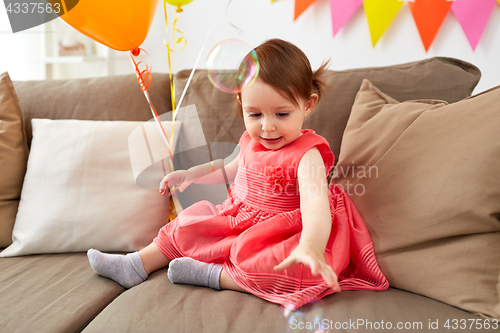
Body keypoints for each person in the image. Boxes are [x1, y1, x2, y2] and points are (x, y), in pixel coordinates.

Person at [87, 38, 388, 311]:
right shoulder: (250, 141)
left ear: (307, 105)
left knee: (274, 267)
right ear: (242, 104)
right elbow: (226, 168)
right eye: (255, 114)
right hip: (236, 217)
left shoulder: (307, 154)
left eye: (281, 114)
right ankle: (136, 264)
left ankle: (216, 276)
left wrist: (311, 244)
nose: (267, 126)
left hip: (280, 233)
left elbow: (315, 205)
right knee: (186, 226)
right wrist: (190, 174)